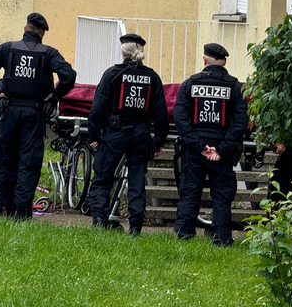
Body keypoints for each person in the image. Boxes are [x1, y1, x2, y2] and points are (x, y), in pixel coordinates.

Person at [0, 12, 76, 220]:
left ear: (25, 29)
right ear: (42, 33)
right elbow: (69, 76)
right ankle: (21, 213)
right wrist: (54, 95)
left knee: (3, 161)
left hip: (9, 110)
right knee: (28, 162)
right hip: (34, 114)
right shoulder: (49, 53)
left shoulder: (7, 49)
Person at [88, 33, 169, 235]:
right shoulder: (152, 77)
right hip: (141, 133)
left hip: (115, 132)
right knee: (136, 179)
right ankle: (135, 227)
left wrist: (93, 137)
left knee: (103, 175)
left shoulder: (112, 74)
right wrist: (159, 140)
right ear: (140, 50)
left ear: (122, 51)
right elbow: (161, 112)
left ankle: (99, 219)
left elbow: (97, 108)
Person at [173, 43, 248, 247]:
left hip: (195, 151)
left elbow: (180, 118)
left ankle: (184, 235)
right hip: (221, 153)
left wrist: (199, 146)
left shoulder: (190, 83)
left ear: (204, 60)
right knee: (222, 197)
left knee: (190, 193)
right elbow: (240, 122)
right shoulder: (234, 86)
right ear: (223, 62)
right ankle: (221, 239)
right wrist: (221, 149)